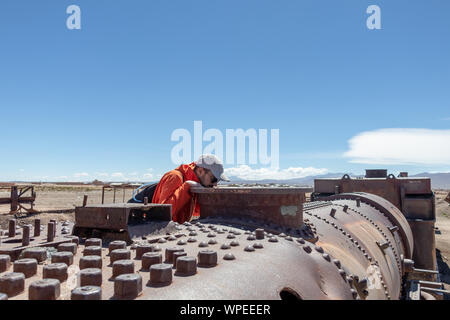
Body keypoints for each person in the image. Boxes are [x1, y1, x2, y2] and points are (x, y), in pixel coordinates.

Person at [152, 154, 230, 223]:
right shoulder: (175, 177)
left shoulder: (196, 182)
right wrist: (186, 187)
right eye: (214, 179)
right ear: (200, 171)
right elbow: (163, 213)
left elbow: (196, 212)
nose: (215, 184)